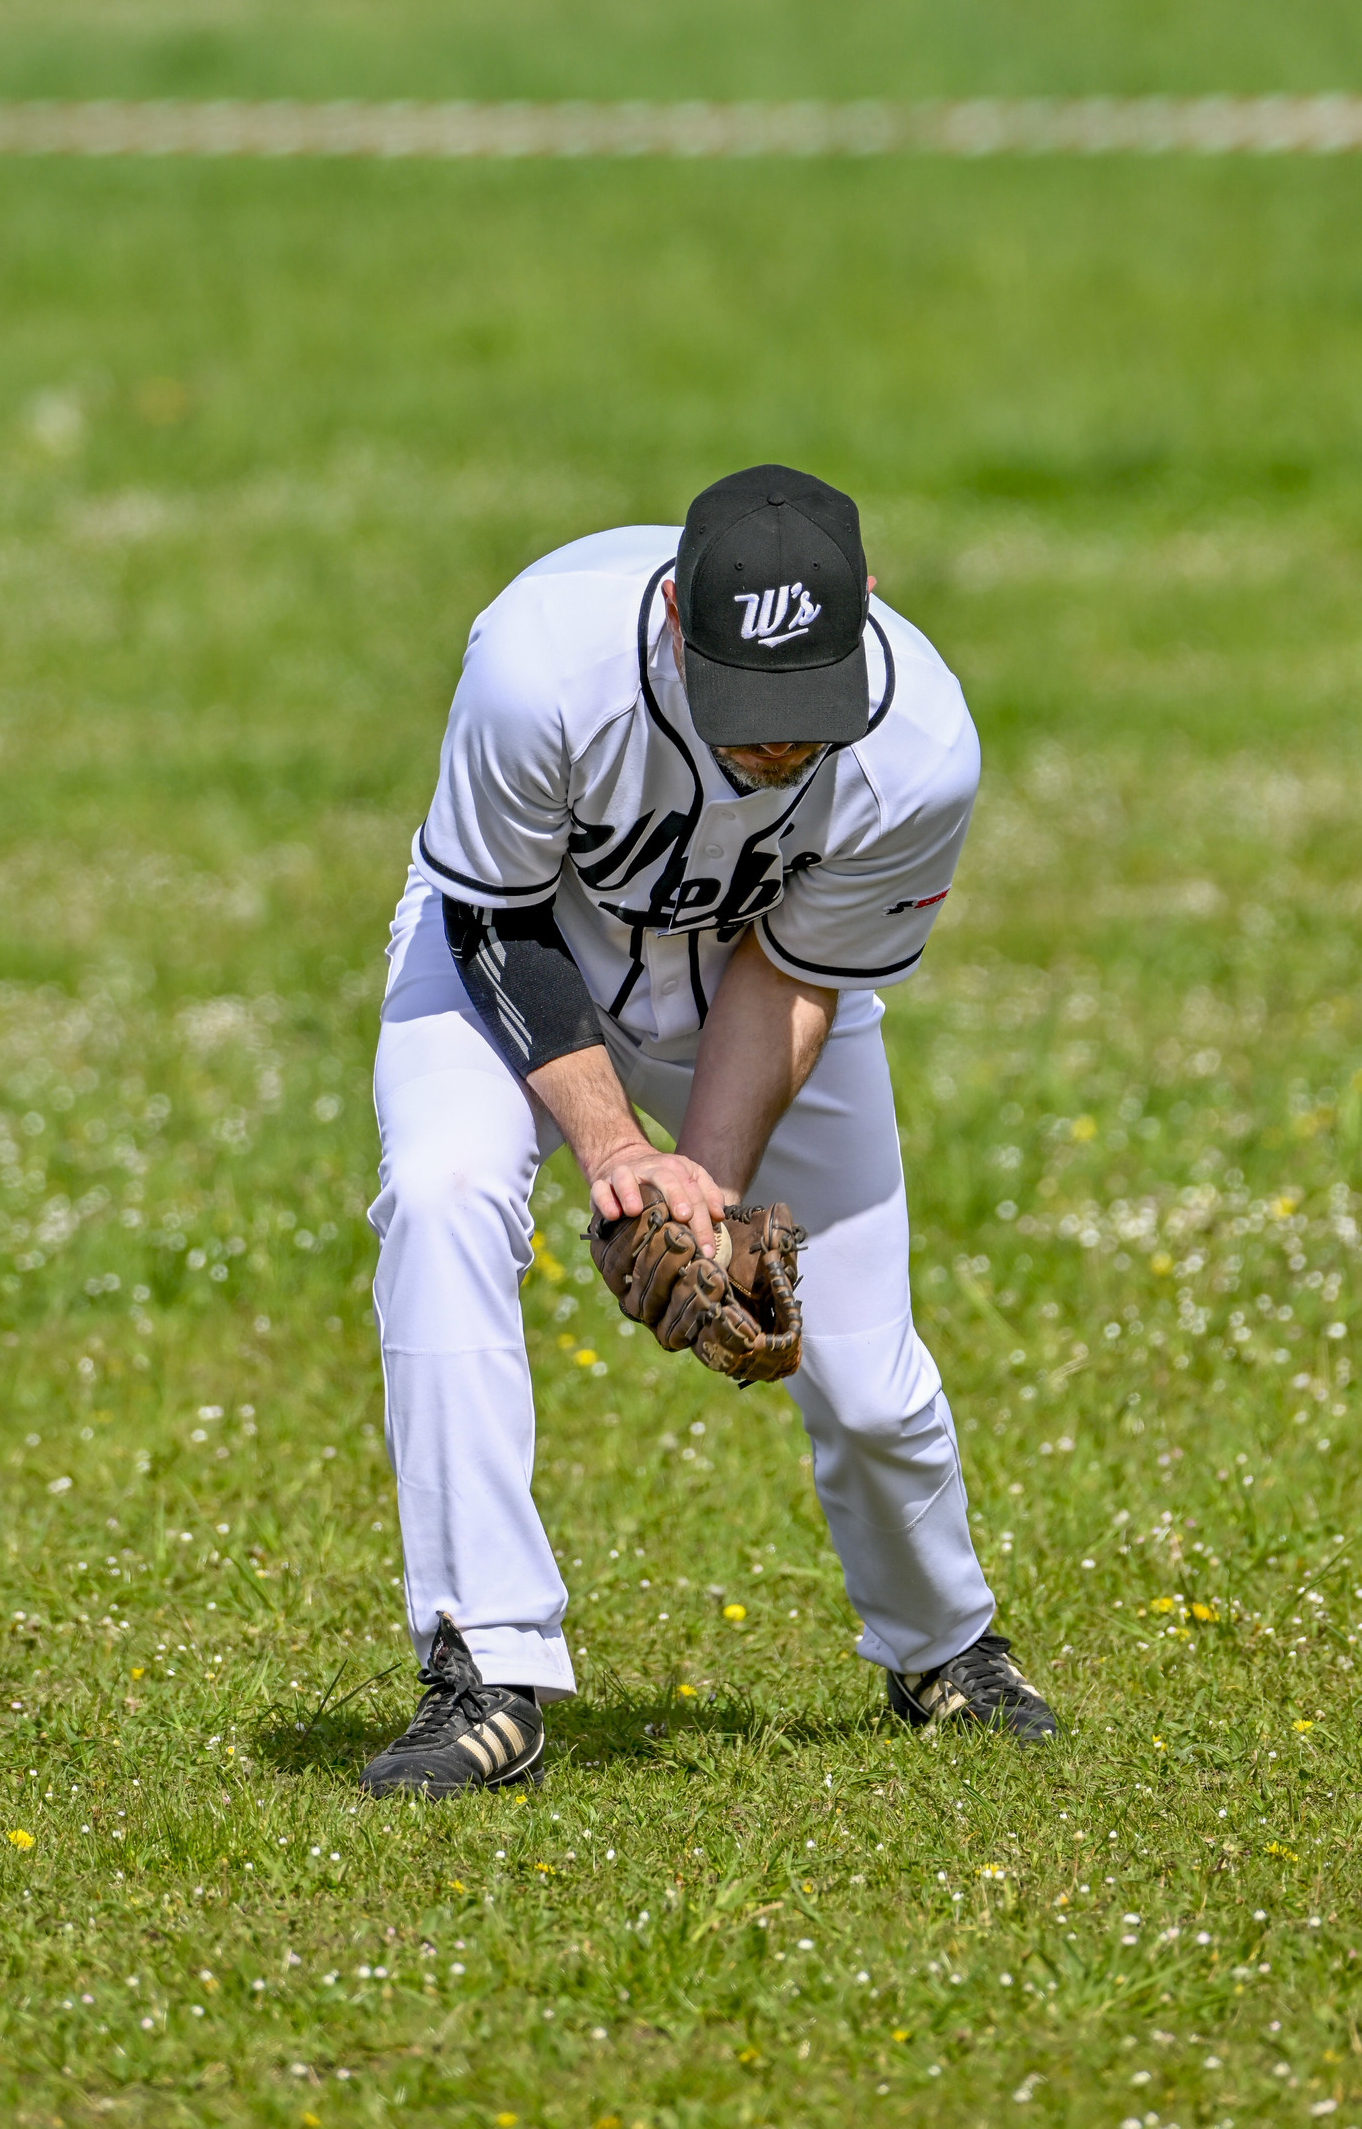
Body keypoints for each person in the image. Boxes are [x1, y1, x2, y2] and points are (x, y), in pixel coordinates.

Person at [362, 465, 1055, 1798]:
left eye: (807, 714)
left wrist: (711, 1185)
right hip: (520, 941)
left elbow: (796, 975)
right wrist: (621, 1153)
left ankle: (946, 1649)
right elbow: (493, 918)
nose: (779, 747)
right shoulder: (540, 663)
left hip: (751, 977)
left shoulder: (922, 749)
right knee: (443, 1196)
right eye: (750, 710)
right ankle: (485, 1673)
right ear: (677, 617)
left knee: (863, 1368)